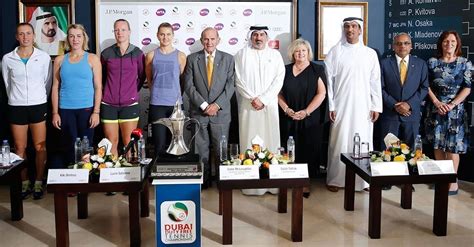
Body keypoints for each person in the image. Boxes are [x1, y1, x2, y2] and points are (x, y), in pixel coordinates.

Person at [325, 17, 382, 192]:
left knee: (363, 140)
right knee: (339, 140)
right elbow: (329, 82)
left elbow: (375, 81)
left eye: (354, 26)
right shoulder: (335, 52)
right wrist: (331, 106)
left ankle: (363, 181)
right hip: (341, 105)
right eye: (347, 26)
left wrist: (376, 106)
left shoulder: (370, 53)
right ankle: (336, 179)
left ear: (360, 30)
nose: (350, 30)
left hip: (364, 106)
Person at [2, 23, 52, 200]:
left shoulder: (44, 57)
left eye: (28, 33)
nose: (25, 37)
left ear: (34, 36)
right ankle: (24, 183)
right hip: (16, 106)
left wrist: (37, 98)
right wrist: (17, 98)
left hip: (38, 105)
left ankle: (38, 181)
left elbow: (47, 83)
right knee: (20, 147)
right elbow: (7, 84)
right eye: (21, 34)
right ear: (17, 37)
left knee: (40, 146)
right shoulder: (8, 58)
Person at [235, 25, 285, 195]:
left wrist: (263, 99)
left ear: (266, 37)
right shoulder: (241, 55)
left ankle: (271, 184)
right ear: (251, 37)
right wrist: (252, 98)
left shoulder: (275, 55)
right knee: (250, 141)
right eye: (255, 34)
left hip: (269, 106)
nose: (258, 38)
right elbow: (238, 80)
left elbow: (279, 80)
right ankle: (251, 185)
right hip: (248, 107)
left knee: (270, 140)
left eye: (262, 34)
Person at [184, 27, 235, 188]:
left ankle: (222, 182)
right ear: (201, 41)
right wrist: (205, 105)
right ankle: (203, 182)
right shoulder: (192, 59)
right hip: (199, 112)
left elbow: (231, 85)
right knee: (200, 150)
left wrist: (217, 105)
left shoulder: (228, 59)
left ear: (218, 40)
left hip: (221, 113)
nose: (209, 42)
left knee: (221, 149)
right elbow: (188, 85)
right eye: (206, 39)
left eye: (213, 39)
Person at [424, 31, 472, 196]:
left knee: (452, 148)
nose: (449, 44)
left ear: (457, 43)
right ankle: (441, 178)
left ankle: (452, 182)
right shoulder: (432, 62)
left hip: (455, 112)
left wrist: (451, 104)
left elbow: (467, 87)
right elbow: (426, 85)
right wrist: (437, 102)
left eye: (452, 41)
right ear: (441, 43)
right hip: (435, 109)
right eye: (445, 41)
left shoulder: (465, 63)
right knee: (438, 146)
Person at [379, 33, 429, 190]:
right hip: (390, 113)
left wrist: (409, 104)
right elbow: (379, 88)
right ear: (393, 46)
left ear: (411, 46)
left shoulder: (420, 64)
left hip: (411, 114)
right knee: (388, 147)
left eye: (406, 43)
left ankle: (407, 181)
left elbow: (424, 87)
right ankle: (387, 180)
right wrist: (395, 105)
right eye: (399, 43)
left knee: (410, 147)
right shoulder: (384, 64)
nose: (402, 46)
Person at [278, 38, 327, 198]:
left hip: (310, 117)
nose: (300, 53)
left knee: (308, 150)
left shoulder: (316, 69)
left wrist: (306, 111)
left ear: (308, 53)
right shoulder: (284, 69)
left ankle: (305, 183)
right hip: (288, 116)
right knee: (289, 149)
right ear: (292, 53)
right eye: (297, 51)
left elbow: (322, 93)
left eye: (303, 51)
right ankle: (289, 180)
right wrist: (286, 109)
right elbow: (277, 93)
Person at [51, 24, 102, 166]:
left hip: (86, 109)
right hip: (65, 110)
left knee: (86, 147)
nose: (75, 39)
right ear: (68, 39)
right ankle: (71, 182)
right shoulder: (60, 60)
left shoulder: (92, 58)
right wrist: (55, 113)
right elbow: (55, 87)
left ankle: (85, 180)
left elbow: (98, 87)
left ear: (83, 38)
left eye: (78, 36)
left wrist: (96, 112)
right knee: (68, 146)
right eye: (72, 36)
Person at [101, 19, 146, 158]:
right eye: (117, 30)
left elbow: (142, 75)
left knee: (129, 142)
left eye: (123, 29)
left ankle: (130, 177)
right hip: (108, 104)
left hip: (129, 104)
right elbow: (101, 77)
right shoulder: (106, 53)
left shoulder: (137, 53)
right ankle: (112, 176)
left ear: (129, 32)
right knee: (111, 142)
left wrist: (131, 92)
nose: (120, 33)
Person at [145, 22, 187, 156]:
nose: (165, 37)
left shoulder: (180, 56)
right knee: (159, 143)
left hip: (175, 105)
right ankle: (159, 173)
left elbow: (182, 80)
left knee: (175, 142)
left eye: (168, 34)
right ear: (157, 36)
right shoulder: (151, 55)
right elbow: (149, 79)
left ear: (173, 36)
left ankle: (172, 172)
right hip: (157, 104)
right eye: (162, 34)